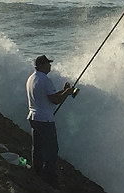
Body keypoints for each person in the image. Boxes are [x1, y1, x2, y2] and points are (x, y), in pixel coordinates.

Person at [26, 54, 74, 186]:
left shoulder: (32, 78)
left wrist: (64, 91)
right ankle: (50, 178)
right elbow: (55, 100)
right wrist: (67, 93)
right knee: (52, 149)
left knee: (38, 147)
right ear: (42, 65)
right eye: (48, 64)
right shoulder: (45, 80)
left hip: (33, 117)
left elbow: (49, 96)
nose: (50, 66)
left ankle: (37, 172)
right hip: (45, 120)